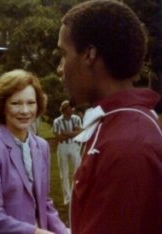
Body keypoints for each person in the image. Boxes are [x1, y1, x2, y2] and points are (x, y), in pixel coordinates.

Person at [56, 1, 162, 234]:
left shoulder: (128, 144)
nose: (60, 68)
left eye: (63, 55)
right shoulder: (116, 125)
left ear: (90, 55)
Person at [0, 69, 68, 234]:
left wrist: (63, 231)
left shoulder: (42, 146)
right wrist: (35, 232)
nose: (25, 111)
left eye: (31, 103)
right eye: (16, 103)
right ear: (2, 106)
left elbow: (44, 203)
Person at [52, 100, 82, 205]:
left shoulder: (76, 119)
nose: (72, 110)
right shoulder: (57, 121)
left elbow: (80, 133)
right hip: (62, 147)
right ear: (64, 110)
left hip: (74, 146)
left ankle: (79, 195)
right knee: (64, 173)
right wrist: (73, 133)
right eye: (70, 108)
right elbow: (58, 137)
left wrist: (67, 133)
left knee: (78, 170)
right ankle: (67, 198)